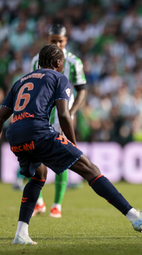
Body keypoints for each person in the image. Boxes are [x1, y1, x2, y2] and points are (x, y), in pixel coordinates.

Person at [0, 44, 142, 245]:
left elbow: (2, 116)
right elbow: (64, 113)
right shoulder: (58, 77)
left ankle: (21, 233)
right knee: (89, 168)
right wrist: (73, 145)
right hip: (39, 132)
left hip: (16, 135)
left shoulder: (21, 81)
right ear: (58, 63)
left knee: (38, 176)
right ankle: (135, 217)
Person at [15, 24, 87, 218]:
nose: (57, 43)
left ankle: (57, 204)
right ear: (47, 39)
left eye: (60, 41)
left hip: (61, 116)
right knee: (35, 157)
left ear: (66, 41)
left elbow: (82, 90)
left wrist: (71, 112)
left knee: (61, 157)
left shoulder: (74, 62)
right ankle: (38, 201)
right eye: (53, 40)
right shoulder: (35, 61)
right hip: (40, 116)